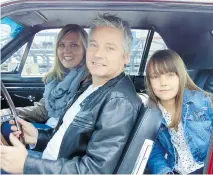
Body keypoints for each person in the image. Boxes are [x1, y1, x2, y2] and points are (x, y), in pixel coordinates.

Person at [0, 14, 142, 174]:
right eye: (94, 45)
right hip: (53, 163)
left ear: (126, 57)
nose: (98, 54)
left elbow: (95, 171)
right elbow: (70, 138)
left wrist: (26, 165)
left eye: (110, 48)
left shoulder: (118, 101)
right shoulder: (91, 86)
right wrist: (37, 136)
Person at [146, 49, 213, 174]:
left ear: (181, 76)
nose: (163, 83)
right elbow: (154, 151)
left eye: (170, 75)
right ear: (149, 81)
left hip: (208, 167)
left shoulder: (202, 101)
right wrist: (163, 171)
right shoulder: (151, 114)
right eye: (155, 77)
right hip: (176, 170)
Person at [0, 24, 90, 129]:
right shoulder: (55, 79)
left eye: (74, 45)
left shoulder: (88, 79)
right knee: (5, 124)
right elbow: (43, 111)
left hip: (65, 134)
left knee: (6, 128)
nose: (66, 50)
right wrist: (6, 113)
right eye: (61, 45)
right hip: (51, 126)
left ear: (85, 49)